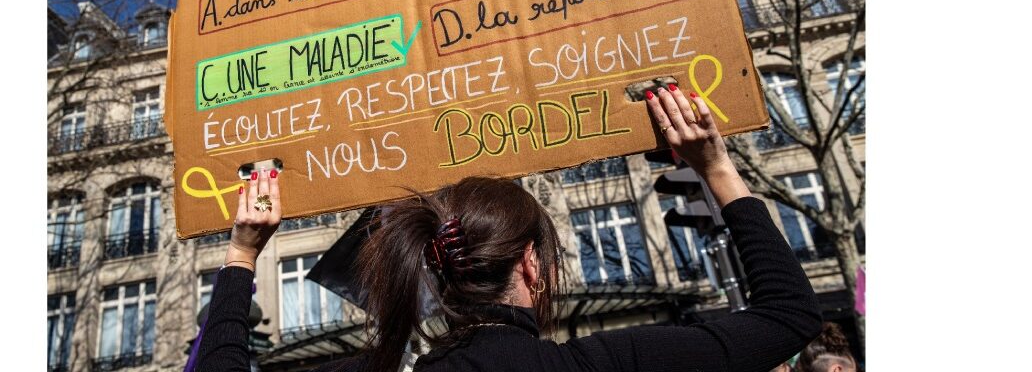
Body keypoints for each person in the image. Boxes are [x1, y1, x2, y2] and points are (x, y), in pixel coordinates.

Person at [195, 84, 823, 371]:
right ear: (529, 264)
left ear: (439, 271)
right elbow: (788, 318)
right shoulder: (607, 360)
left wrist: (242, 255)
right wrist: (717, 168)